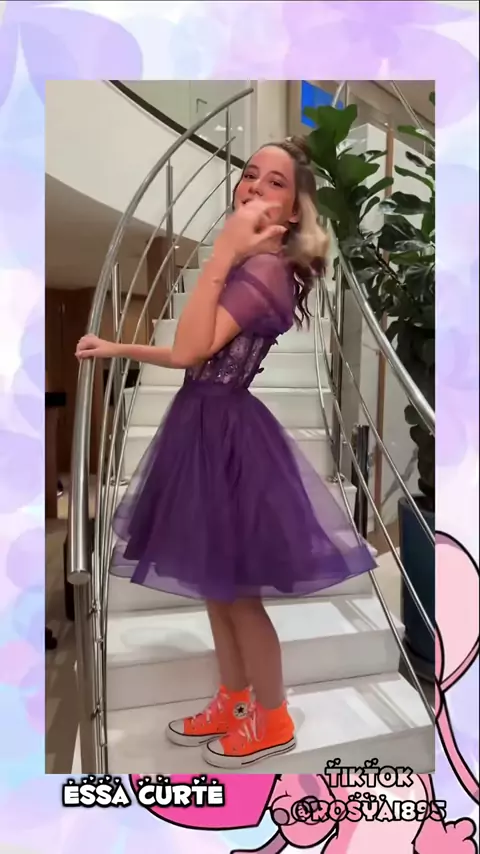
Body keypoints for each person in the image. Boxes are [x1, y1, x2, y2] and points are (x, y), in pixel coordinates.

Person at [76, 137, 376, 769]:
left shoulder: (264, 270)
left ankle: (273, 717)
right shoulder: (249, 264)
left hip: (226, 433)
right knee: (217, 587)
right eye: (250, 174)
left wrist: (221, 252)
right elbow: (196, 350)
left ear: (292, 211)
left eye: (275, 182)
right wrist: (118, 349)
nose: (254, 187)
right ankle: (236, 701)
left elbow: (192, 351)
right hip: (203, 421)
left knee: (237, 592)